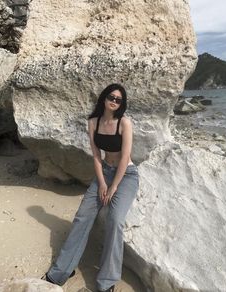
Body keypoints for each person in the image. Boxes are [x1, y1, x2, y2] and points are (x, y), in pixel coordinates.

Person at [44, 83, 139, 292]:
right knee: (81, 217)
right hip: (103, 172)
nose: (114, 101)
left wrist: (113, 187)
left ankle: (107, 281)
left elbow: (125, 157)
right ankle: (62, 271)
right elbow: (96, 156)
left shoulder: (124, 123)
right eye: (111, 97)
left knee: (115, 220)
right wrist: (102, 183)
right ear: (104, 98)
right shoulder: (93, 122)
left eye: (119, 99)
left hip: (127, 176)